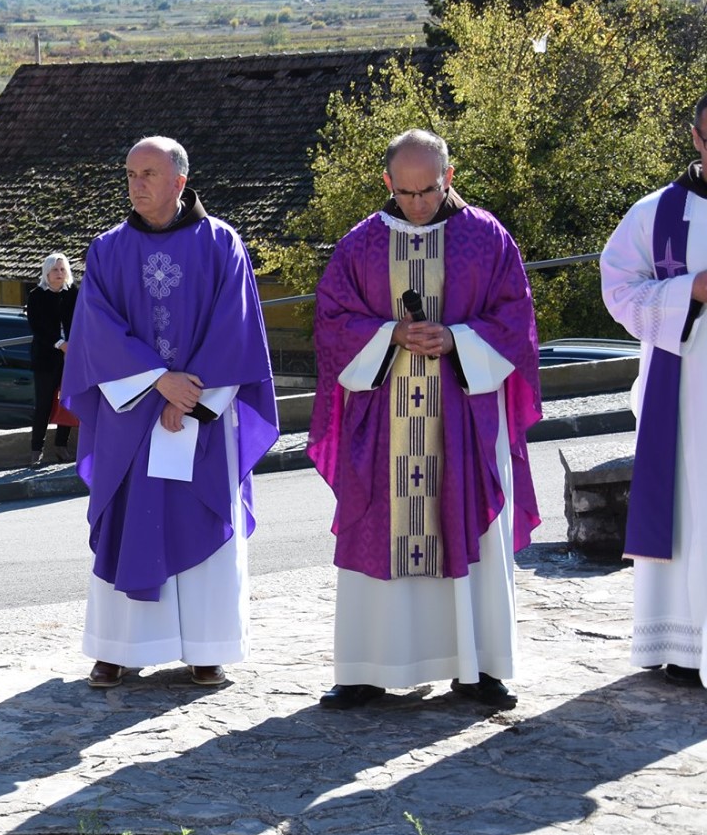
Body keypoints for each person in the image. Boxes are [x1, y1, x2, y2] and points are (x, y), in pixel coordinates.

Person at [310, 130, 542, 711]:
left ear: (449, 176)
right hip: (383, 425)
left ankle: (478, 667)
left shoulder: (485, 237)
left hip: (462, 421)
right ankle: (366, 669)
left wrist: (457, 339)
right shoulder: (361, 245)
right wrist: (390, 334)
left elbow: (516, 319)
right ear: (387, 182)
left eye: (429, 190)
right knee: (376, 531)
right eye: (406, 192)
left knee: (469, 531)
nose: (417, 204)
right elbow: (332, 324)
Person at [65, 136, 278, 689]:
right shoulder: (107, 250)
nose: (136, 185)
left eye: (149, 175)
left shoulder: (221, 244)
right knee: (128, 519)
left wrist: (191, 398)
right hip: (131, 416)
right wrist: (159, 382)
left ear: (180, 182)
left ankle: (207, 646)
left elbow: (235, 329)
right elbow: (96, 333)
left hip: (203, 412)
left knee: (199, 513)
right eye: (131, 174)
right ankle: (118, 647)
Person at [601, 90, 707, 687]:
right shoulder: (654, 214)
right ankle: (687, 646)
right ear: (695, 138)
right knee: (689, 510)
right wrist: (690, 292)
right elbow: (618, 289)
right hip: (685, 392)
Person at [27, 252, 79, 466]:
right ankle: (36, 450)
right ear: (46, 273)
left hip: (71, 356)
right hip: (46, 358)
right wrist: (59, 343)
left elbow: (81, 320)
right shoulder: (36, 295)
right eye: (55, 270)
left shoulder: (73, 293)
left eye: (62, 269)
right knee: (44, 404)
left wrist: (72, 345)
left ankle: (61, 445)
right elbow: (37, 327)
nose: (59, 273)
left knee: (67, 401)